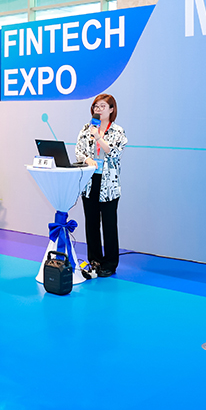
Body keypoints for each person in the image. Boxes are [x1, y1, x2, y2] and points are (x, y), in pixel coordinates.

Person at [75, 94, 127, 278]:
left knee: (109, 225)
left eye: (102, 106)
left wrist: (98, 137)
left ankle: (110, 264)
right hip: (90, 182)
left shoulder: (118, 131)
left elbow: (114, 153)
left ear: (111, 109)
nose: (98, 109)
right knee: (91, 224)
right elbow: (79, 150)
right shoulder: (86, 128)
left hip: (109, 184)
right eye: (96, 106)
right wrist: (86, 159)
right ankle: (95, 260)